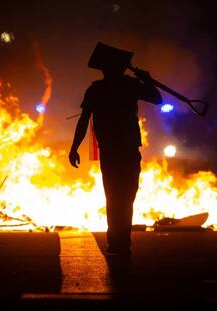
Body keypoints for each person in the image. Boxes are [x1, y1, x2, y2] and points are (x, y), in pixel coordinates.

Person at [69, 62, 162, 255]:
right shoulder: (128, 85)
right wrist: (147, 80)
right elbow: (156, 97)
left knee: (117, 197)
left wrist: (75, 147)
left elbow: (84, 119)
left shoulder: (98, 89)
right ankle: (120, 243)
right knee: (124, 197)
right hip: (123, 150)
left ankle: (117, 242)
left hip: (113, 150)